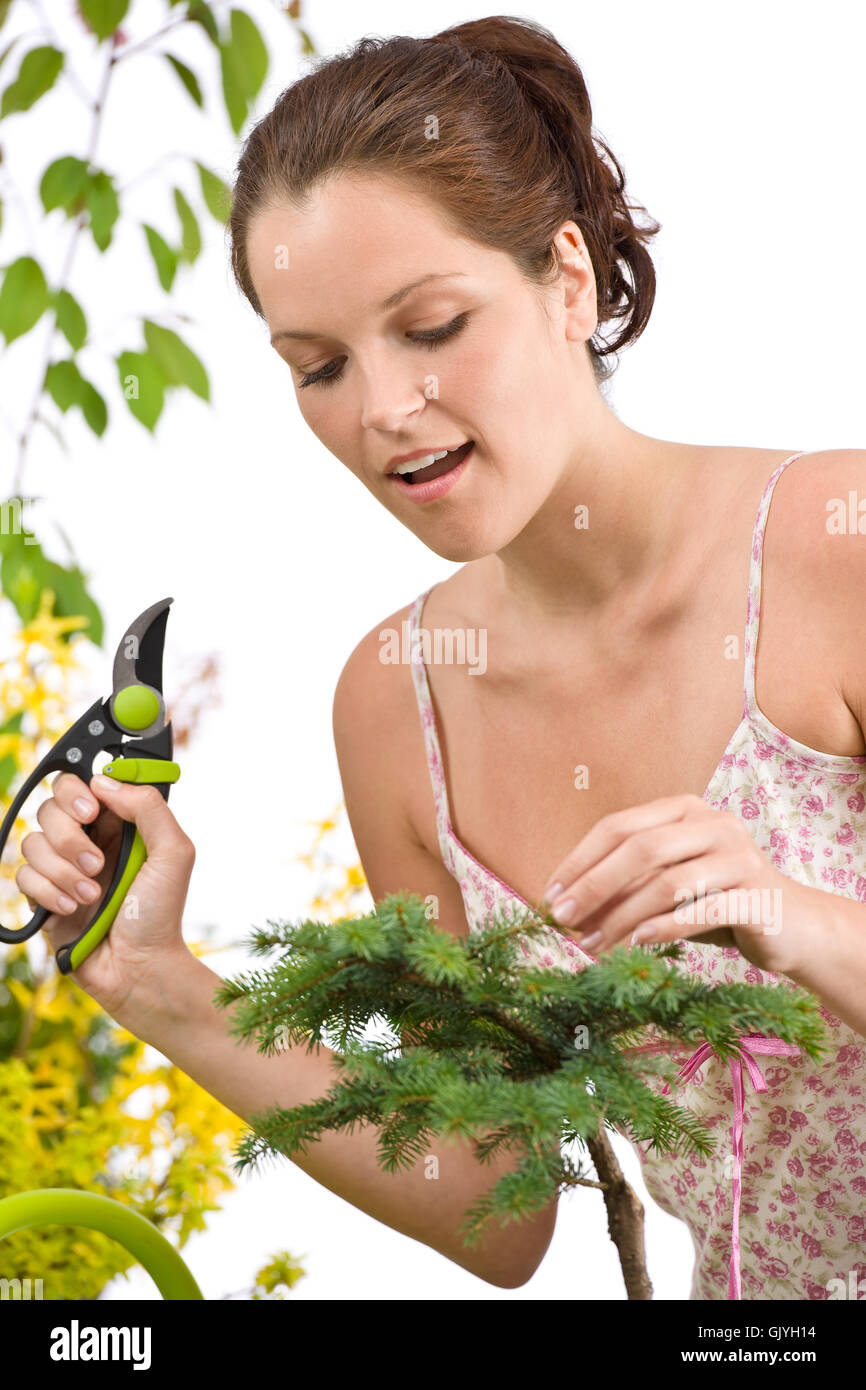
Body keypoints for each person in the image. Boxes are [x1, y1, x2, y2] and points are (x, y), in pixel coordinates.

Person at [17, 16, 866, 1300]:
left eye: (430, 325)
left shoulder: (829, 549)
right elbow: (491, 1203)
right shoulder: (396, 702)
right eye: (318, 367)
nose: (378, 413)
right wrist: (155, 981)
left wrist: (788, 917)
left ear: (566, 280)